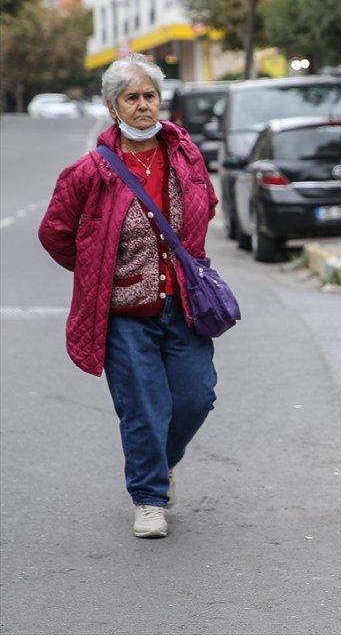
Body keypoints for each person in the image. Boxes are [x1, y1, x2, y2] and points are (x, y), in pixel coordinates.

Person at [39, 54, 219, 539]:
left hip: (181, 304)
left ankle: (160, 466)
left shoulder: (184, 153)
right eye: (132, 98)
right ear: (112, 106)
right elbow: (55, 232)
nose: (143, 106)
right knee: (143, 407)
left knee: (197, 396)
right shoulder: (90, 170)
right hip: (123, 314)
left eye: (150, 96)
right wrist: (98, 271)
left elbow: (209, 202)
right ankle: (148, 499)